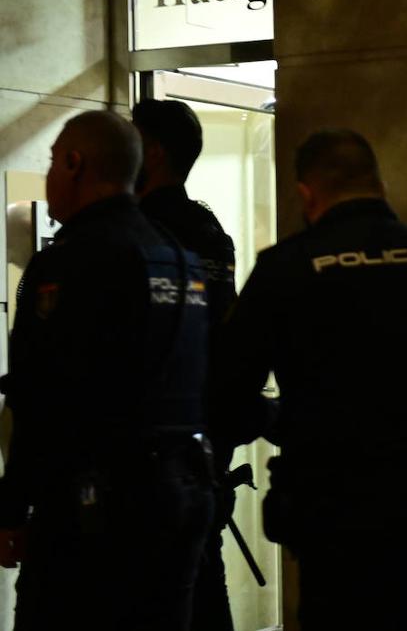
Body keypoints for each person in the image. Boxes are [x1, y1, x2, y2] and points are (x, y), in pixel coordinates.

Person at [222, 129, 407, 631]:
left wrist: (285, 422)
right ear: (380, 186)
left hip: (333, 522)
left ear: (306, 194)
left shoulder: (286, 269)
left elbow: (228, 392)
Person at [0, 110, 215, 630]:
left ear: (75, 164)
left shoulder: (71, 262)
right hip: (179, 495)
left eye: (53, 161)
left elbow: (40, 395)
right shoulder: (177, 256)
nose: (49, 174)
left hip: (95, 512)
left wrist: (12, 509)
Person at [133, 98, 260, 631]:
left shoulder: (138, 232)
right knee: (204, 582)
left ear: (154, 152)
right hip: (209, 437)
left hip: (151, 446)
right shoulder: (210, 231)